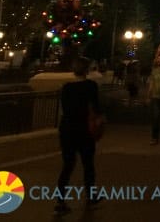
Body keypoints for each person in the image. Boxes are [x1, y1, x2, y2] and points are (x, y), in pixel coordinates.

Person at [55, 56, 101, 213]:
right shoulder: (91, 86)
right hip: (84, 130)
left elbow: (65, 108)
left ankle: (60, 202)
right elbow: (96, 107)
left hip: (67, 129)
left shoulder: (66, 87)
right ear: (87, 70)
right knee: (88, 164)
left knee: (67, 166)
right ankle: (91, 196)